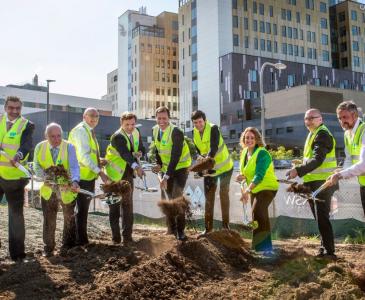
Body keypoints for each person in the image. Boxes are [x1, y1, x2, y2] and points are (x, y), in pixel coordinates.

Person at [287, 109, 337, 258]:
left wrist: (298, 170)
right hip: (314, 182)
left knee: (322, 217)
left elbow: (318, 159)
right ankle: (324, 248)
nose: (308, 121)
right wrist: (301, 163)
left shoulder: (322, 134)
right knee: (319, 217)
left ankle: (329, 251)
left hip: (323, 183)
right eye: (306, 118)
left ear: (320, 119)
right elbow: (313, 158)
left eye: (311, 118)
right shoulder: (313, 134)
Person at [33, 123, 80, 257]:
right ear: (46, 136)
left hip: (66, 189)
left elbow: (74, 166)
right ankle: (49, 247)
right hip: (48, 188)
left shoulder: (69, 147)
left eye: (59, 136)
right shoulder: (39, 147)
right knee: (49, 218)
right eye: (52, 136)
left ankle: (68, 246)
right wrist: (44, 176)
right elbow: (37, 165)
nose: (56, 139)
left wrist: (75, 181)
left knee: (69, 218)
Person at [68, 108, 110, 246]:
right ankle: (80, 241)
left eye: (97, 117)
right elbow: (83, 157)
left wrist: (99, 161)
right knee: (81, 210)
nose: (94, 119)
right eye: (91, 116)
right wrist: (100, 172)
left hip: (86, 176)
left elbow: (89, 154)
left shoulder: (88, 131)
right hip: (81, 177)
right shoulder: (81, 131)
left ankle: (79, 240)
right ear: (84, 116)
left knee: (82, 210)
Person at [0, 96, 34, 262]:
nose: (14, 111)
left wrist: (19, 155)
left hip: (15, 178)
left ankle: (18, 254)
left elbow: (27, 144)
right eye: (11, 108)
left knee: (16, 216)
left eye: (17, 108)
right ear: (5, 107)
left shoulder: (27, 125)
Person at [191, 110, 233, 237]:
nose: (198, 125)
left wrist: (206, 161)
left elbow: (213, 147)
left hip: (225, 168)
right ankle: (208, 229)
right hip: (210, 171)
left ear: (205, 120)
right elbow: (198, 151)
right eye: (195, 123)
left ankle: (226, 227)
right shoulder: (194, 133)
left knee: (223, 195)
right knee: (209, 199)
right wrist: (199, 158)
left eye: (200, 122)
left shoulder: (213, 128)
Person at [105, 112, 145, 245]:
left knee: (127, 205)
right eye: (127, 124)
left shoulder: (136, 132)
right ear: (121, 124)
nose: (130, 127)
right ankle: (116, 238)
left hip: (127, 173)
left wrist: (141, 153)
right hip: (113, 175)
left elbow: (141, 148)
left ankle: (127, 238)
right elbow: (125, 154)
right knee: (114, 206)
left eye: (132, 124)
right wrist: (137, 167)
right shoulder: (117, 136)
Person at [152, 106, 192, 241]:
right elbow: (158, 150)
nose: (161, 121)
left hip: (180, 168)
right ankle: (171, 229)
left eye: (164, 118)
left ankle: (181, 232)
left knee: (177, 198)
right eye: (159, 118)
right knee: (169, 200)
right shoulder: (155, 130)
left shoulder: (176, 132)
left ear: (169, 118)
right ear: (156, 118)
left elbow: (175, 156)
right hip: (167, 169)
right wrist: (158, 163)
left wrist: (166, 176)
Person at [236, 127, 278, 254]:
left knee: (258, 211)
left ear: (257, 139)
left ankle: (266, 249)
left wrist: (247, 191)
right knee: (257, 216)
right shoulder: (244, 153)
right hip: (254, 189)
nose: (249, 140)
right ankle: (258, 247)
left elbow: (259, 175)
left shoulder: (262, 153)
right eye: (247, 137)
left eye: (252, 138)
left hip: (267, 188)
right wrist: (241, 176)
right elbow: (245, 173)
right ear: (243, 139)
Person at [328, 101, 365, 217]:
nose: (342, 121)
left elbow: (364, 164)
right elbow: (349, 159)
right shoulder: (347, 134)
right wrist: (342, 171)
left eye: (345, 117)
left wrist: (340, 175)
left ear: (355, 115)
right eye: (339, 118)